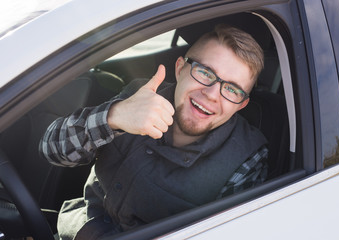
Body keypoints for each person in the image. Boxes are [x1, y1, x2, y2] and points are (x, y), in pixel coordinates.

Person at [39, 24, 268, 239]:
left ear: (240, 105)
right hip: (77, 230)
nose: (211, 94)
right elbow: (51, 149)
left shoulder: (247, 158)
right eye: (205, 72)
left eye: (232, 89)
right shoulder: (138, 97)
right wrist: (113, 117)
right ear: (180, 69)